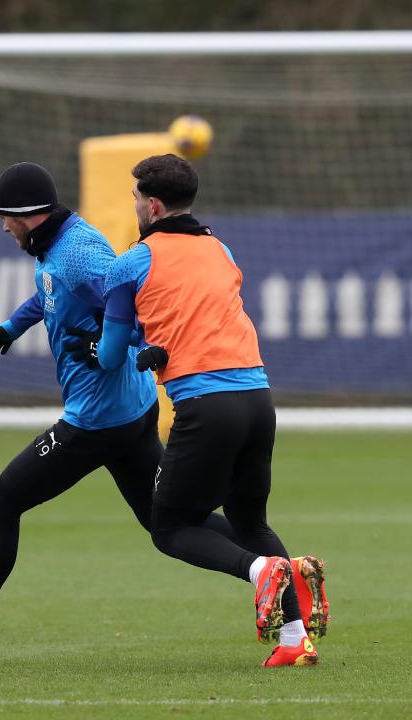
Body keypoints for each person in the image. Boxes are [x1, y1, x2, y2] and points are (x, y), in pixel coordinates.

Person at [0, 162, 236, 660]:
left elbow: (133, 302)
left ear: (27, 216)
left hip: (97, 421)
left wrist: (125, 340)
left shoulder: (76, 254)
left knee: (1, 501)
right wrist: (13, 326)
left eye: (5, 218)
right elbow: (52, 291)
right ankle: (277, 571)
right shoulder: (60, 243)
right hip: (131, 411)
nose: (2, 227)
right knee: (170, 521)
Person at [82, 154, 328, 667]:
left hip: (207, 407)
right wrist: (152, 339)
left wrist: (127, 345)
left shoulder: (132, 262)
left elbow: (108, 356)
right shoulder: (220, 248)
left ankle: (260, 572)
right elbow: (192, 314)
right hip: (259, 399)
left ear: (151, 205)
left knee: (169, 528)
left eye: (134, 200)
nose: (133, 208)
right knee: (248, 517)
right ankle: (294, 639)